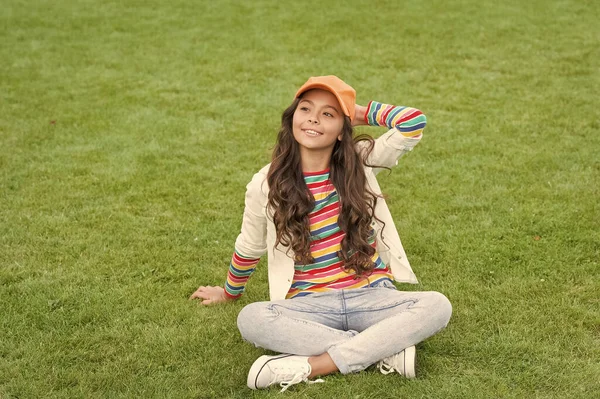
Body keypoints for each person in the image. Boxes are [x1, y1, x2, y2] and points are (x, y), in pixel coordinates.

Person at [190, 76, 452, 392]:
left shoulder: (360, 159)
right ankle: (382, 349)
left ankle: (315, 365)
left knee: (437, 305)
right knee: (251, 318)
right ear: (292, 119)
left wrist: (357, 111)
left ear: (342, 130)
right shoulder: (265, 183)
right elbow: (249, 246)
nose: (313, 118)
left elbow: (413, 122)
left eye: (328, 113)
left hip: (372, 295)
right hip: (310, 306)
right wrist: (229, 292)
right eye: (306, 109)